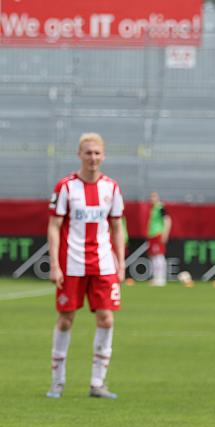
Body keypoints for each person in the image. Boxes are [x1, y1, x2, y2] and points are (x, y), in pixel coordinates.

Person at [46, 132, 125, 400]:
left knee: (106, 318)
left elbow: (117, 227)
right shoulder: (66, 187)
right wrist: (54, 264)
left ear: (103, 156)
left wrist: (121, 263)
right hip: (72, 264)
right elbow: (54, 226)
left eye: (97, 153)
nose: (93, 158)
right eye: (88, 152)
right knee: (66, 319)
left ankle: (97, 383)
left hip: (103, 264)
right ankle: (57, 382)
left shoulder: (111, 187)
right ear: (79, 154)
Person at [146, 192, 172, 286]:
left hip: (158, 234)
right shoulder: (153, 208)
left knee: (159, 256)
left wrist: (165, 233)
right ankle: (156, 277)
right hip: (152, 235)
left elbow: (167, 220)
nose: (151, 198)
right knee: (153, 257)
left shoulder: (160, 207)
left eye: (154, 197)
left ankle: (161, 279)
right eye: (151, 197)